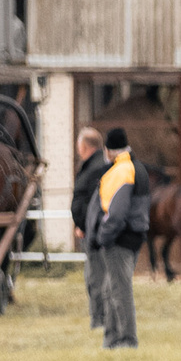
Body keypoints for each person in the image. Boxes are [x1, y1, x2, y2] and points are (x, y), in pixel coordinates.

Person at [90, 127, 151, 350]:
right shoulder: (137, 167)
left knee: (119, 290)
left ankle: (126, 340)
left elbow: (116, 213)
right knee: (110, 289)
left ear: (108, 150)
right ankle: (112, 339)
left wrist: (103, 237)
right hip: (132, 236)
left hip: (119, 240)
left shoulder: (121, 171)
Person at [70, 125, 109, 331]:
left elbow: (94, 204)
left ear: (85, 146)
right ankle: (98, 317)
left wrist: (86, 225)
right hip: (88, 230)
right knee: (92, 276)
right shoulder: (91, 165)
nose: (78, 149)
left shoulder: (97, 168)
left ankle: (99, 320)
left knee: (97, 277)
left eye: (79, 145)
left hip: (94, 233)